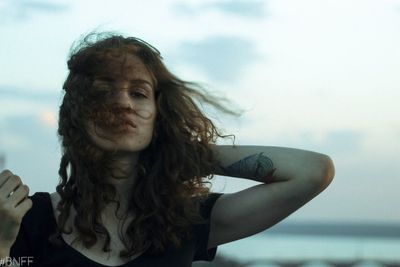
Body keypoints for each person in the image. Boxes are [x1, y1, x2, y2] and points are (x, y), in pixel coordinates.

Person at [0, 32, 335, 267]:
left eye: (139, 93)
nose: (122, 103)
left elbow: (313, 172)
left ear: (159, 116)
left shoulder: (184, 222)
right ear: (75, 116)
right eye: (102, 91)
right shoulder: (27, 220)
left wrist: (177, 149)